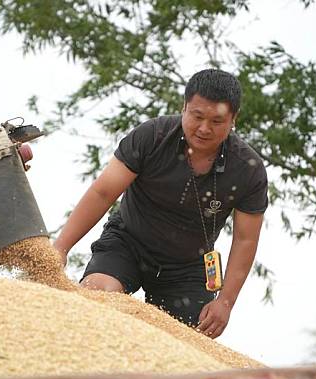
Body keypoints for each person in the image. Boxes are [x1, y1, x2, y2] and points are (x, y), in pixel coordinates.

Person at [54, 69, 268, 339]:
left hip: (188, 266)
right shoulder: (152, 136)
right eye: (197, 116)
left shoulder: (248, 169)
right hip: (128, 241)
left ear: (233, 120)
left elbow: (246, 239)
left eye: (216, 121)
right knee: (97, 295)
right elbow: (103, 192)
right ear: (184, 108)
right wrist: (60, 247)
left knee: (187, 342)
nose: (204, 128)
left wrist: (226, 301)